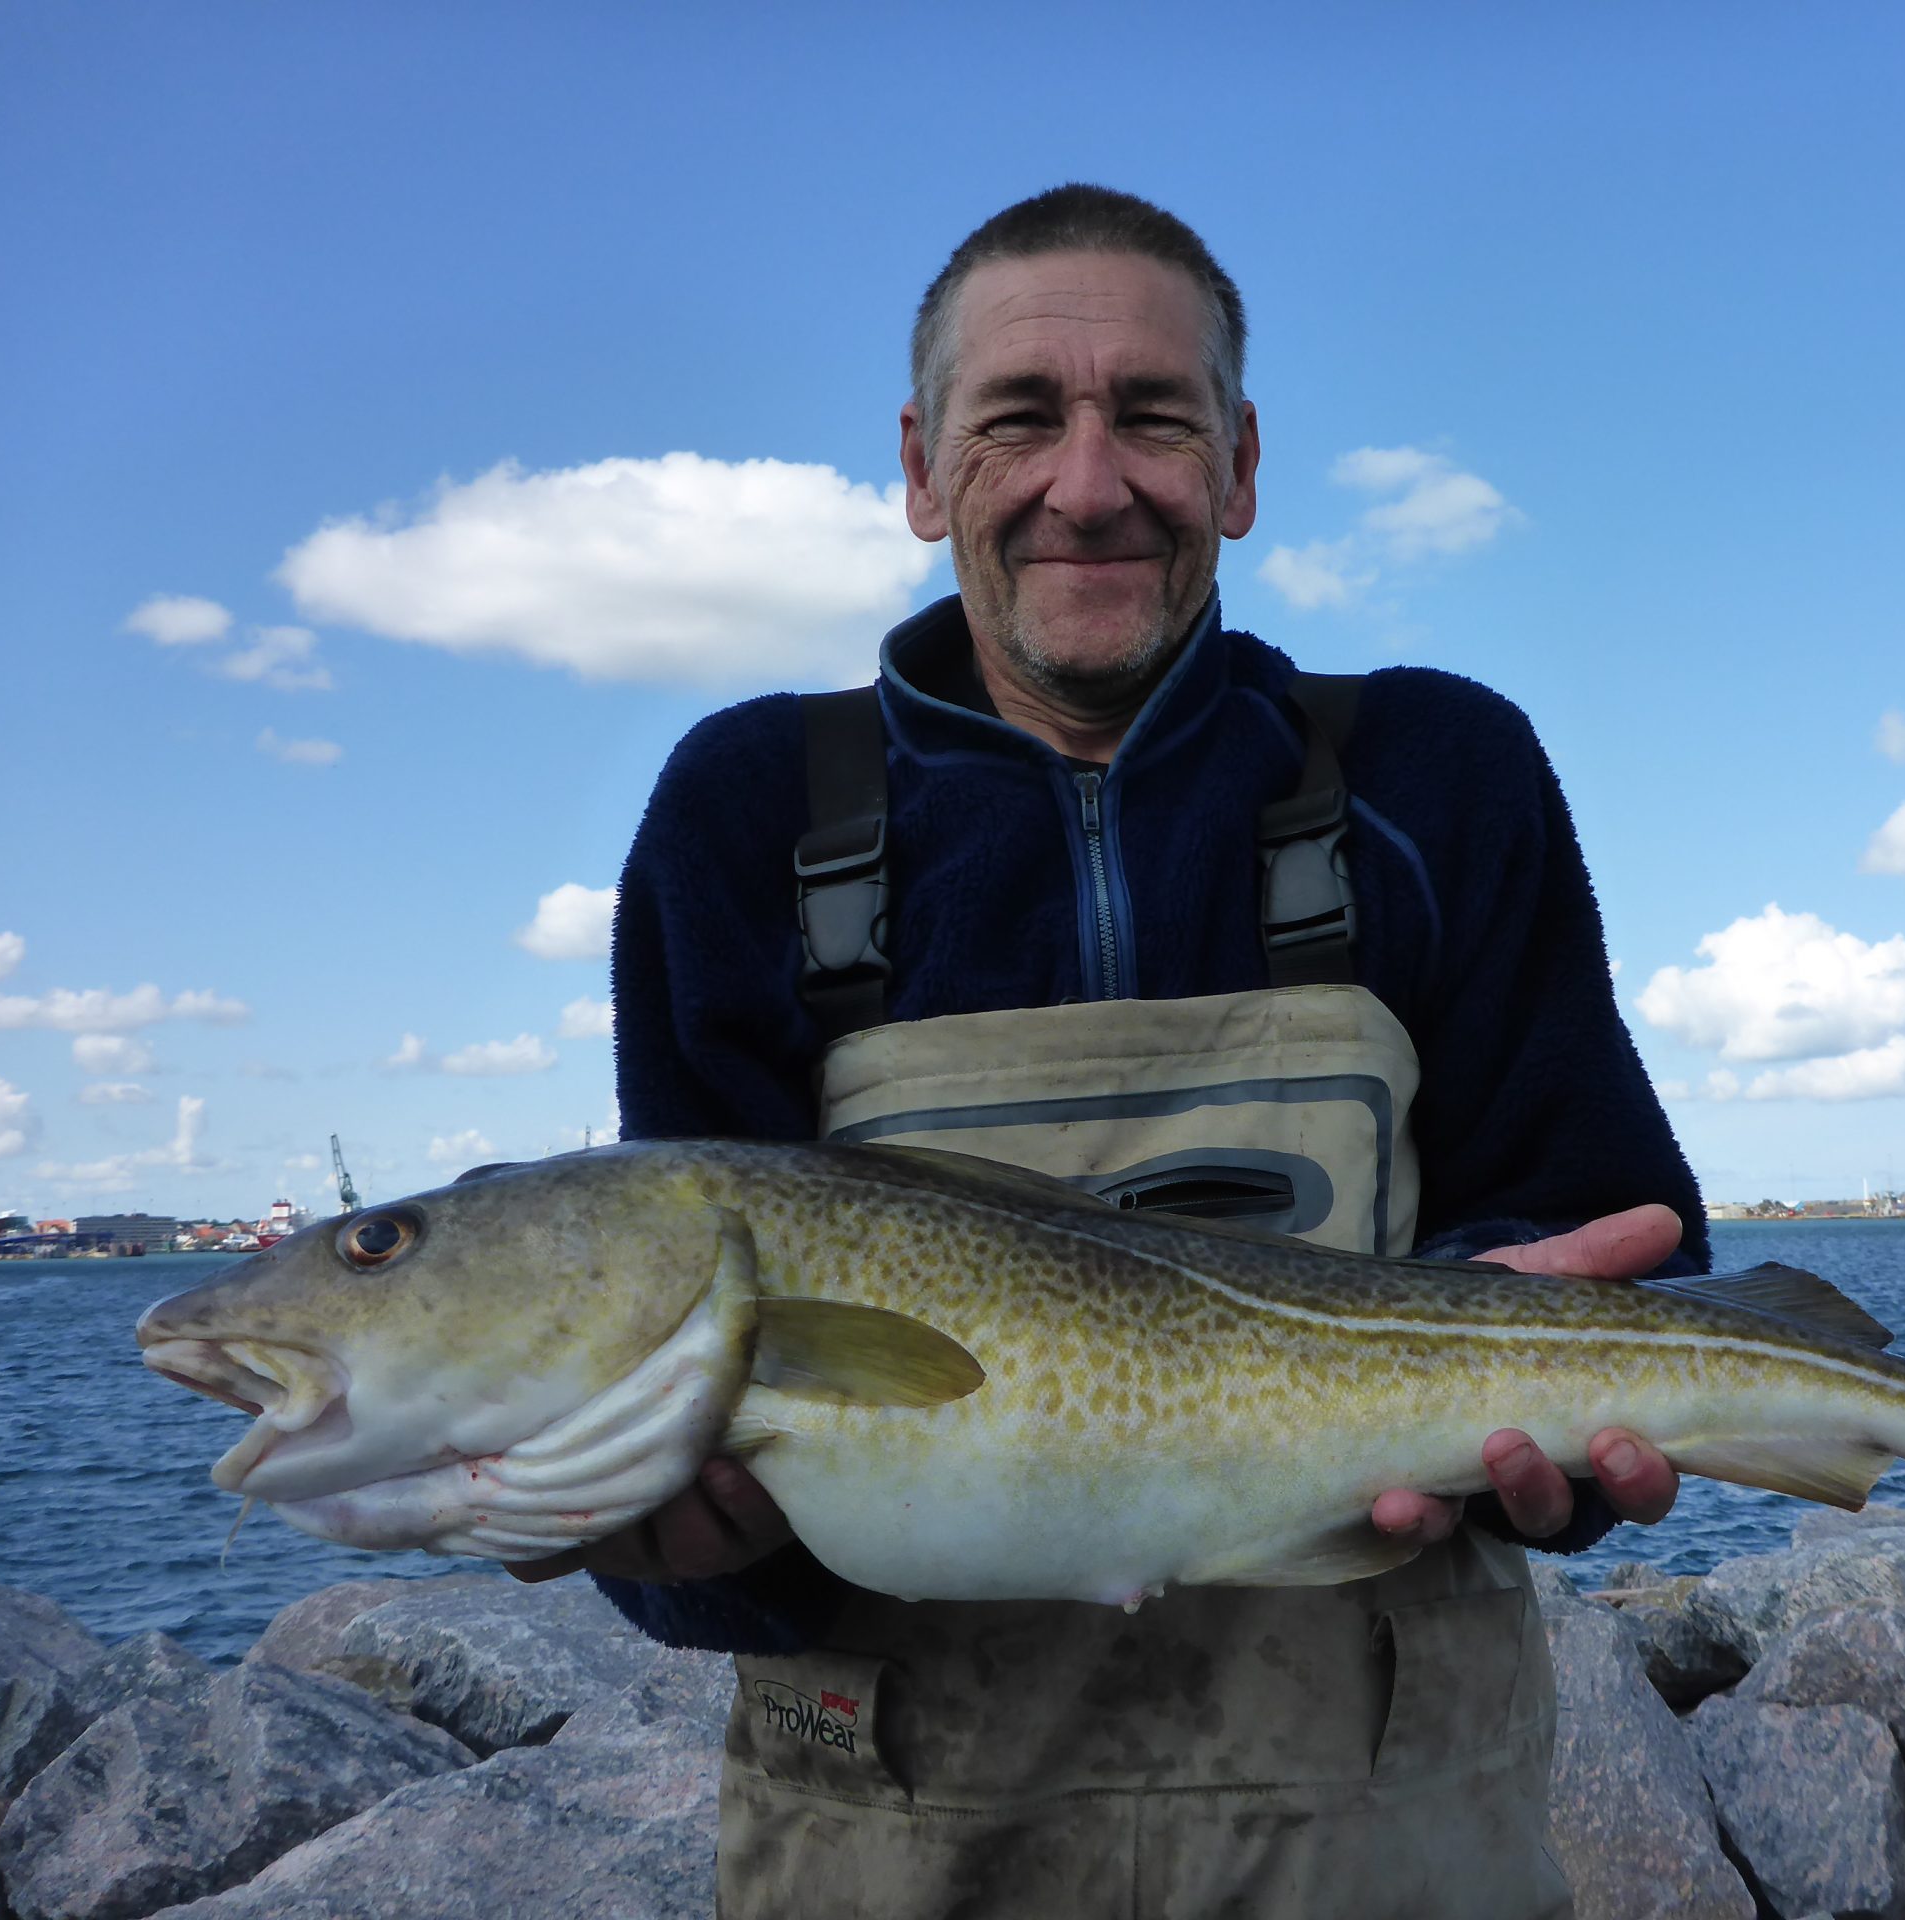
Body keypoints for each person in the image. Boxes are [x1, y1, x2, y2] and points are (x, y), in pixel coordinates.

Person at [519, 184, 1709, 1918]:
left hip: (1385, 1829)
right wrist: (683, 1551)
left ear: (1238, 465)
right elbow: (702, 1540)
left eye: (1153, 417)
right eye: (1021, 419)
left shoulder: (1444, 774)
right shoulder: (743, 813)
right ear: (925, 468)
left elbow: (1602, 1230)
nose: (1090, 484)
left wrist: (1546, 1451)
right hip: (898, 1835)